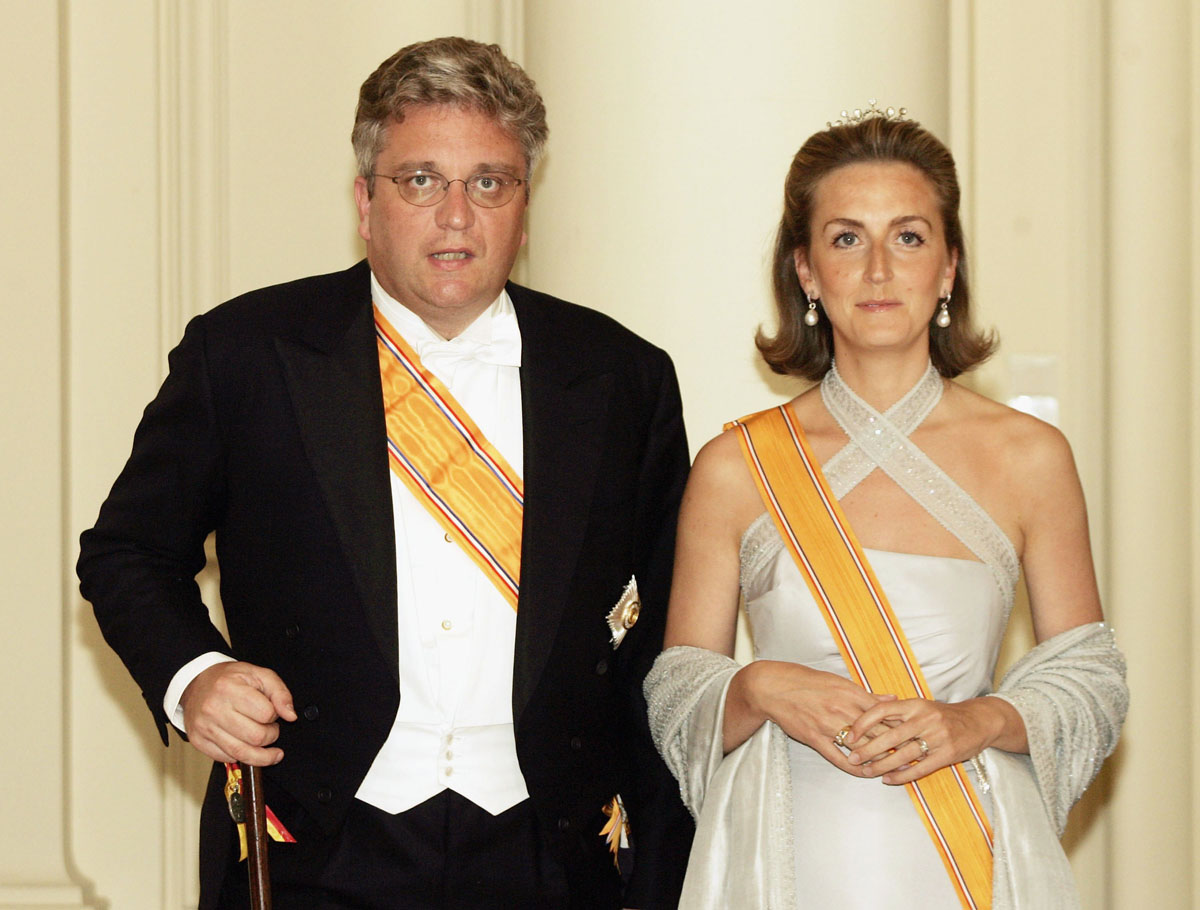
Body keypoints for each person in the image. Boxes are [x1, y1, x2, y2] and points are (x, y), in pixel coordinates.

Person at [78, 36, 692, 910]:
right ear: (366, 202)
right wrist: (195, 676)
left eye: (489, 182)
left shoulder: (623, 376)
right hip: (316, 847)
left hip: (551, 852)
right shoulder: (249, 353)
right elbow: (126, 553)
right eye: (420, 180)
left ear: (524, 203)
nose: (456, 215)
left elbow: (669, 626)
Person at [643, 104, 1127, 909]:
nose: (877, 270)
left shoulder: (1030, 457)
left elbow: (1090, 678)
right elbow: (676, 694)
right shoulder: (736, 466)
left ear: (947, 269)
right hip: (782, 861)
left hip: (970, 850)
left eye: (908, 237)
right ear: (804, 271)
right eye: (845, 238)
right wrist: (761, 686)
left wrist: (977, 722)